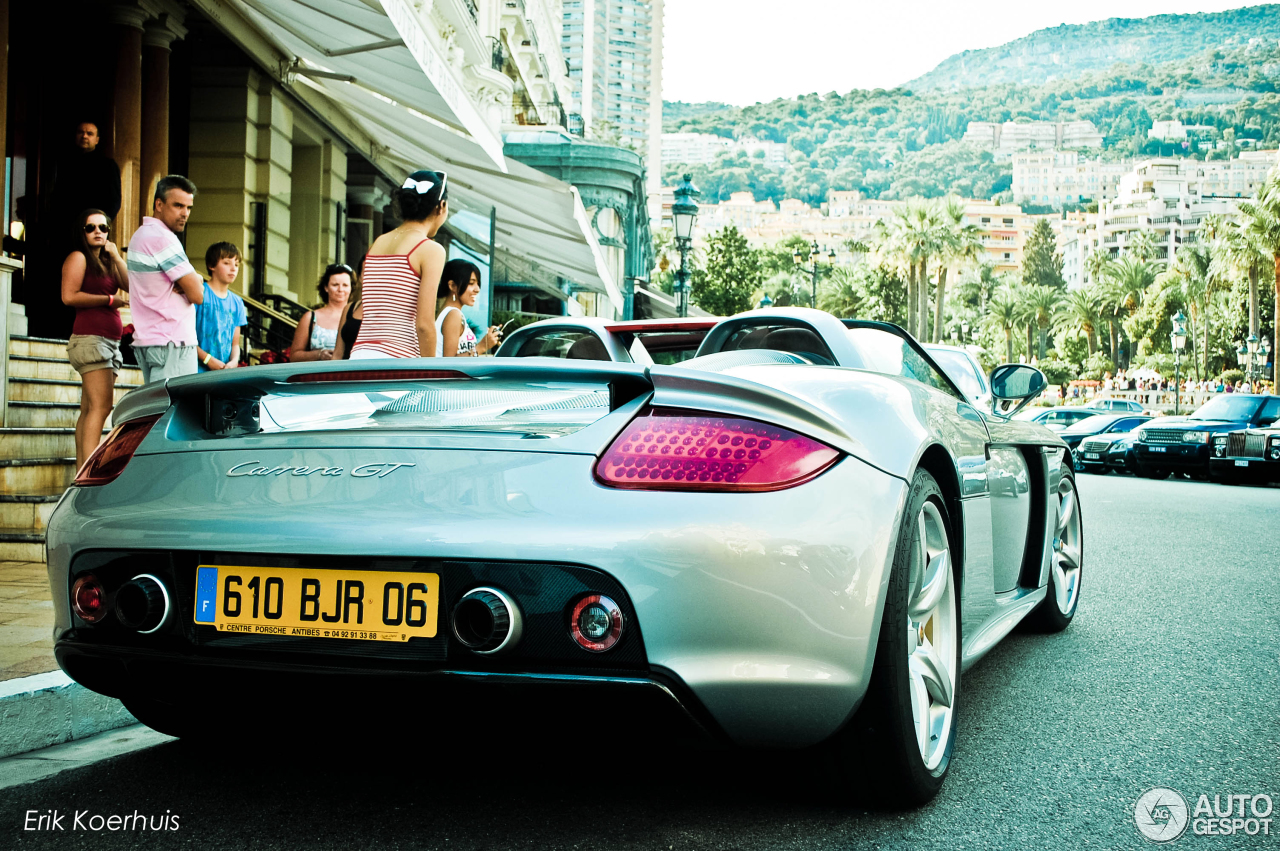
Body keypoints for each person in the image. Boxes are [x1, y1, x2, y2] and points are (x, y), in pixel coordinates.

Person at [349, 170, 448, 359]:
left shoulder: (378, 243)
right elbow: (424, 324)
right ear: (441, 206)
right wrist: (432, 372)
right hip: (397, 359)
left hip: (360, 354)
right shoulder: (431, 250)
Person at [61, 210, 128, 470]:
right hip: (91, 341)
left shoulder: (107, 260)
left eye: (103, 227)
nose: (98, 231)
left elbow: (131, 285)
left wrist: (116, 255)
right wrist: (109, 300)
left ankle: (82, 472)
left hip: (108, 342)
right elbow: (69, 296)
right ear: (82, 231)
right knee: (101, 408)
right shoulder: (78, 257)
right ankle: (89, 473)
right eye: (91, 227)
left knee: (90, 409)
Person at [127, 175, 204, 383]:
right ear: (158, 204)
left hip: (154, 341)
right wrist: (195, 279)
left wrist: (193, 278)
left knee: (160, 409)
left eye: (188, 207)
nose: (185, 213)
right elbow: (197, 295)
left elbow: (193, 285)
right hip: (172, 341)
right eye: (178, 205)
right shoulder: (163, 238)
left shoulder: (142, 234)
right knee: (174, 411)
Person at [194, 243, 248, 372]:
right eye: (226, 263)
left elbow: (235, 344)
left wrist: (234, 362)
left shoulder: (237, 302)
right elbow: (185, 337)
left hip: (223, 373)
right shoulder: (199, 294)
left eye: (236, 264)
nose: (233, 268)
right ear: (211, 265)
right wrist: (208, 360)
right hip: (196, 371)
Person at [435, 259, 501, 357]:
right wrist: (482, 346)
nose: (477, 289)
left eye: (477, 283)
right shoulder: (453, 315)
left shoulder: (448, 313)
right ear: (453, 286)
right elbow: (449, 363)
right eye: (471, 283)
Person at [290, 264, 355, 362]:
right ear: (326, 287)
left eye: (345, 285)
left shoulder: (358, 316)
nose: (340, 289)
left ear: (351, 288)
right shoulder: (310, 317)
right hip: (317, 375)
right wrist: (319, 354)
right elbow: (294, 356)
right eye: (335, 285)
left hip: (349, 374)